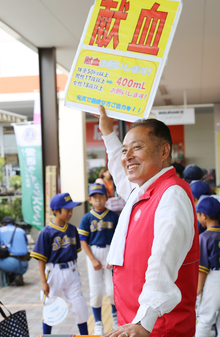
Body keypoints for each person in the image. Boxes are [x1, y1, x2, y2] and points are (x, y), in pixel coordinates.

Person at [95, 105, 199, 337]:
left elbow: (162, 261)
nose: (127, 156)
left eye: (137, 147)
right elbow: (120, 173)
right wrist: (108, 133)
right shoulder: (142, 191)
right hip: (137, 323)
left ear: (163, 152)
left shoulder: (171, 194)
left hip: (157, 326)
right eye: (124, 150)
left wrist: (144, 320)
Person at [30, 192, 89, 336]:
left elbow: (75, 253)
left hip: (71, 271)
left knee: (79, 306)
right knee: (51, 307)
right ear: (56, 211)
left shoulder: (72, 229)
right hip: (53, 272)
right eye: (66, 209)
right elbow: (41, 259)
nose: (70, 212)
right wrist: (43, 282)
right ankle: (47, 335)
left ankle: (85, 335)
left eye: (71, 209)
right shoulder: (46, 232)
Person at [78, 182, 119, 335]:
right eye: (95, 197)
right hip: (94, 253)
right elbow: (83, 241)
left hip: (110, 252)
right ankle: (98, 322)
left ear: (106, 198)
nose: (98, 200)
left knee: (112, 290)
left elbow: (119, 239)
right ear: (90, 200)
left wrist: (113, 257)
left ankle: (115, 319)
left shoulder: (113, 215)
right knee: (96, 292)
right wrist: (92, 259)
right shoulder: (87, 218)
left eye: (101, 196)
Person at [195, 196, 220, 337]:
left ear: (203, 215)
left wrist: (197, 290)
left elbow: (203, 269)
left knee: (205, 318)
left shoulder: (204, 237)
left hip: (213, 279)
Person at [0, 216, 29, 286]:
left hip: (11, 264)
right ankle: (18, 275)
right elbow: (25, 245)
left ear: (2, 225)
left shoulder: (0, 230)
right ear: (14, 225)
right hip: (25, 265)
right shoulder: (21, 230)